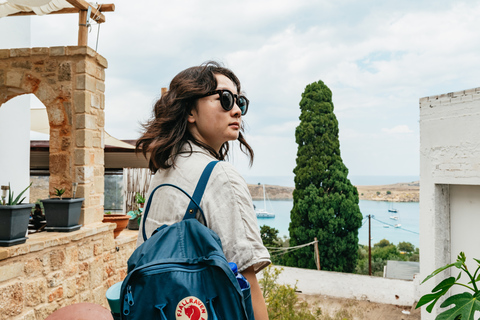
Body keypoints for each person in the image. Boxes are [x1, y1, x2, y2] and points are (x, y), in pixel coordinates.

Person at [136, 61, 271, 319]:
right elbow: (247, 281)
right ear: (190, 111)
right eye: (225, 99)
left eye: (240, 102)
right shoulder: (220, 176)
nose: (237, 111)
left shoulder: (163, 171)